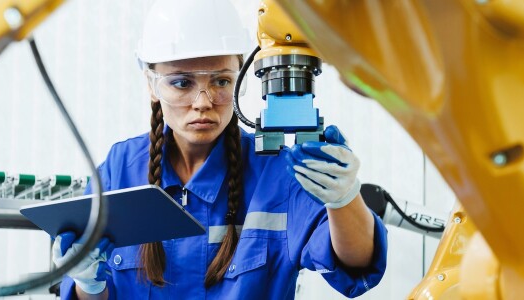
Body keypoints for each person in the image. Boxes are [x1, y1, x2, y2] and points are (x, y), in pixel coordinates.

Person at [52, 0, 388, 298]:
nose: (203, 102)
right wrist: (88, 284)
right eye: (182, 83)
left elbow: (357, 264)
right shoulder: (119, 171)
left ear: (239, 79)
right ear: (152, 84)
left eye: (221, 81)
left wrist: (344, 199)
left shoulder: (277, 175)